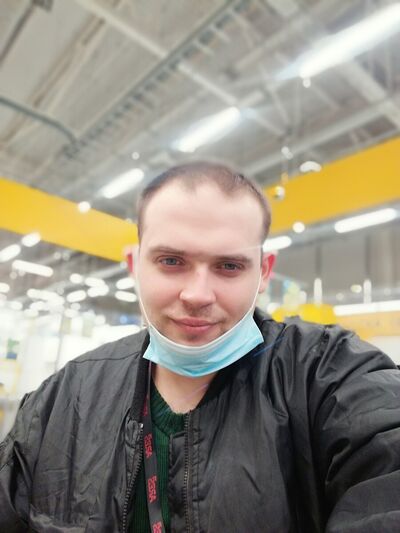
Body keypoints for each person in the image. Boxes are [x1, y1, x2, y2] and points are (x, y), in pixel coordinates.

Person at [1, 162, 400, 533]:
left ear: (263, 272)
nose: (197, 294)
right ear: (135, 265)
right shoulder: (65, 397)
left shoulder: (329, 375)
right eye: (171, 261)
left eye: (229, 266)